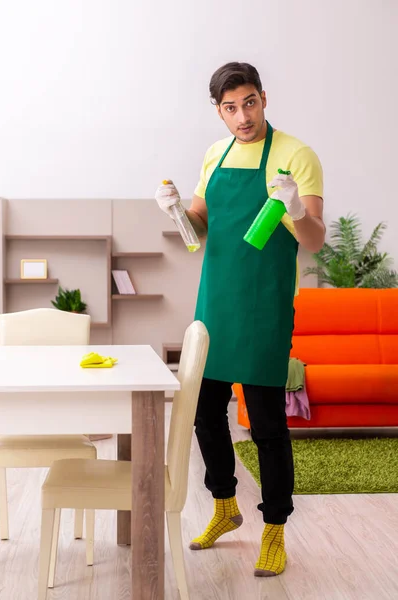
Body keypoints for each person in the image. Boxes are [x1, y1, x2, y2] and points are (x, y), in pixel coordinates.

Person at [155, 62, 325, 577]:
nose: (242, 116)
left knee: (268, 424)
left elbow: (314, 240)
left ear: (263, 98)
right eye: (230, 108)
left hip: (266, 303)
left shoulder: (297, 154)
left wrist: (295, 207)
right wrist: (177, 212)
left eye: (249, 102)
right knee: (205, 411)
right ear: (219, 111)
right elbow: (202, 225)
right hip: (217, 300)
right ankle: (224, 506)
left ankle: (274, 530)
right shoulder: (216, 153)